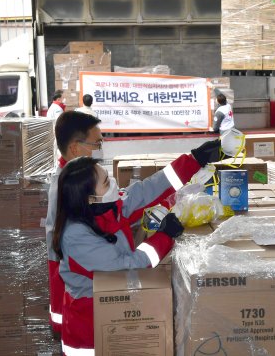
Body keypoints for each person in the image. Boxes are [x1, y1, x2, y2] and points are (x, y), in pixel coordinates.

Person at [51, 138, 223, 355]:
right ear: (90, 198)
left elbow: (147, 189)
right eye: (106, 182)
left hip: (113, 310)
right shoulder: (76, 236)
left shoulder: (106, 207)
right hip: (90, 327)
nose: (113, 183)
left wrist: (194, 160)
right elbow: (128, 264)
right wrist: (164, 236)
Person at [45, 111, 103, 335]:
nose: (99, 150)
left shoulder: (74, 178)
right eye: (96, 144)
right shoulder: (65, 188)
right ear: (75, 148)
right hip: (72, 292)